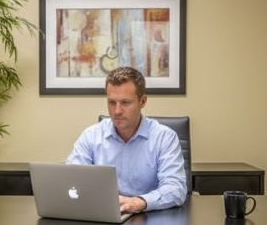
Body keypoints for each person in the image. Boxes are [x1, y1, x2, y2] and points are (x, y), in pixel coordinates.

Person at [66, 66, 187, 214]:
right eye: (112, 102)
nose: (117, 111)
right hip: (103, 218)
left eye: (125, 103)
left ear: (142, 101)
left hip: (150, 219)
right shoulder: (91, 136)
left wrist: (140, 202)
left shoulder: (165, 138)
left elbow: (176, 189)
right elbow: (72, 180)